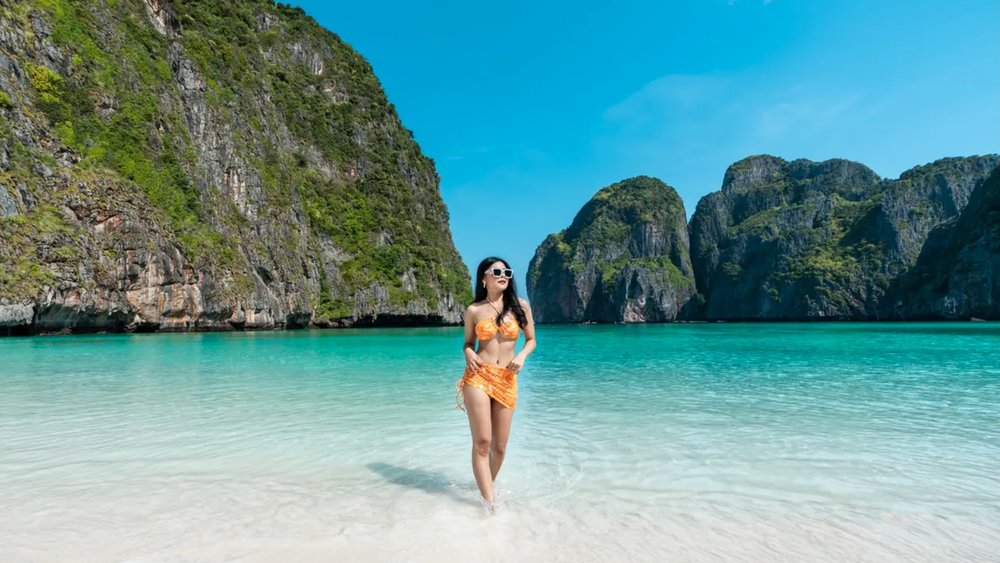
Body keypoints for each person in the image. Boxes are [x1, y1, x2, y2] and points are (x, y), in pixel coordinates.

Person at [456, 257, 536, 511]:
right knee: (482, 442)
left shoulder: (521, 306)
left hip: (506, 379)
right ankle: (490, 504)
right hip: (478, 376)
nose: (504, 276)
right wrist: (468, 353)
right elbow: (468, 343)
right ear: (484, 278)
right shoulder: (474, 310)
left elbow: (531, 340)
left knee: (499, 448)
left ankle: (484, 486)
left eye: (507, 272)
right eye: (497, 272)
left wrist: (521, 357)